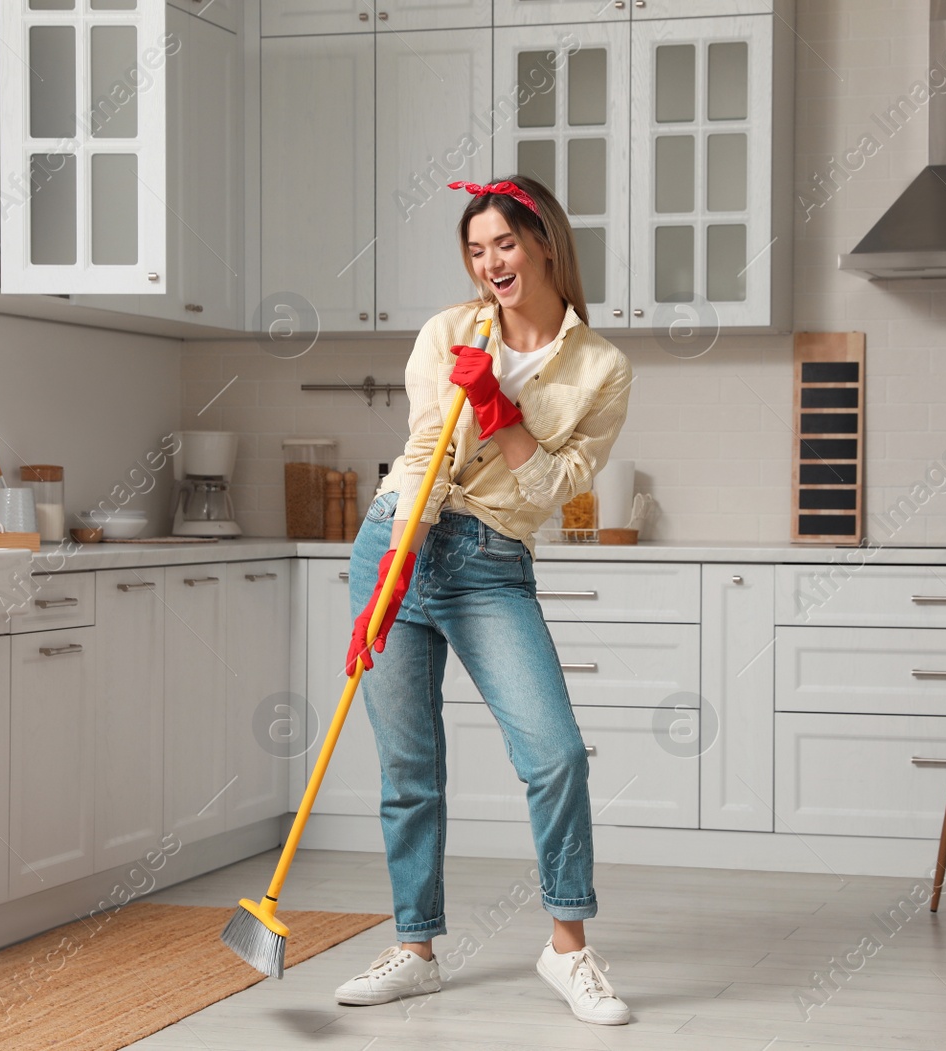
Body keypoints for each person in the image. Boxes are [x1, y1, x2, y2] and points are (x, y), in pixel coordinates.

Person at [333, 175, 633, 1025]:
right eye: (475, 249)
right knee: (408, 767)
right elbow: (426, 447)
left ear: (543, 244)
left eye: (504, 242)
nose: (490, 262)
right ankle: (416, 947)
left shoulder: (601, 368)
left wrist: (500, 409)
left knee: (556, 752)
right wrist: (393, 569)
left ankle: (569, 948)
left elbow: (552, 491)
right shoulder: (447, 332)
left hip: (491, 560)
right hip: (402, 537)